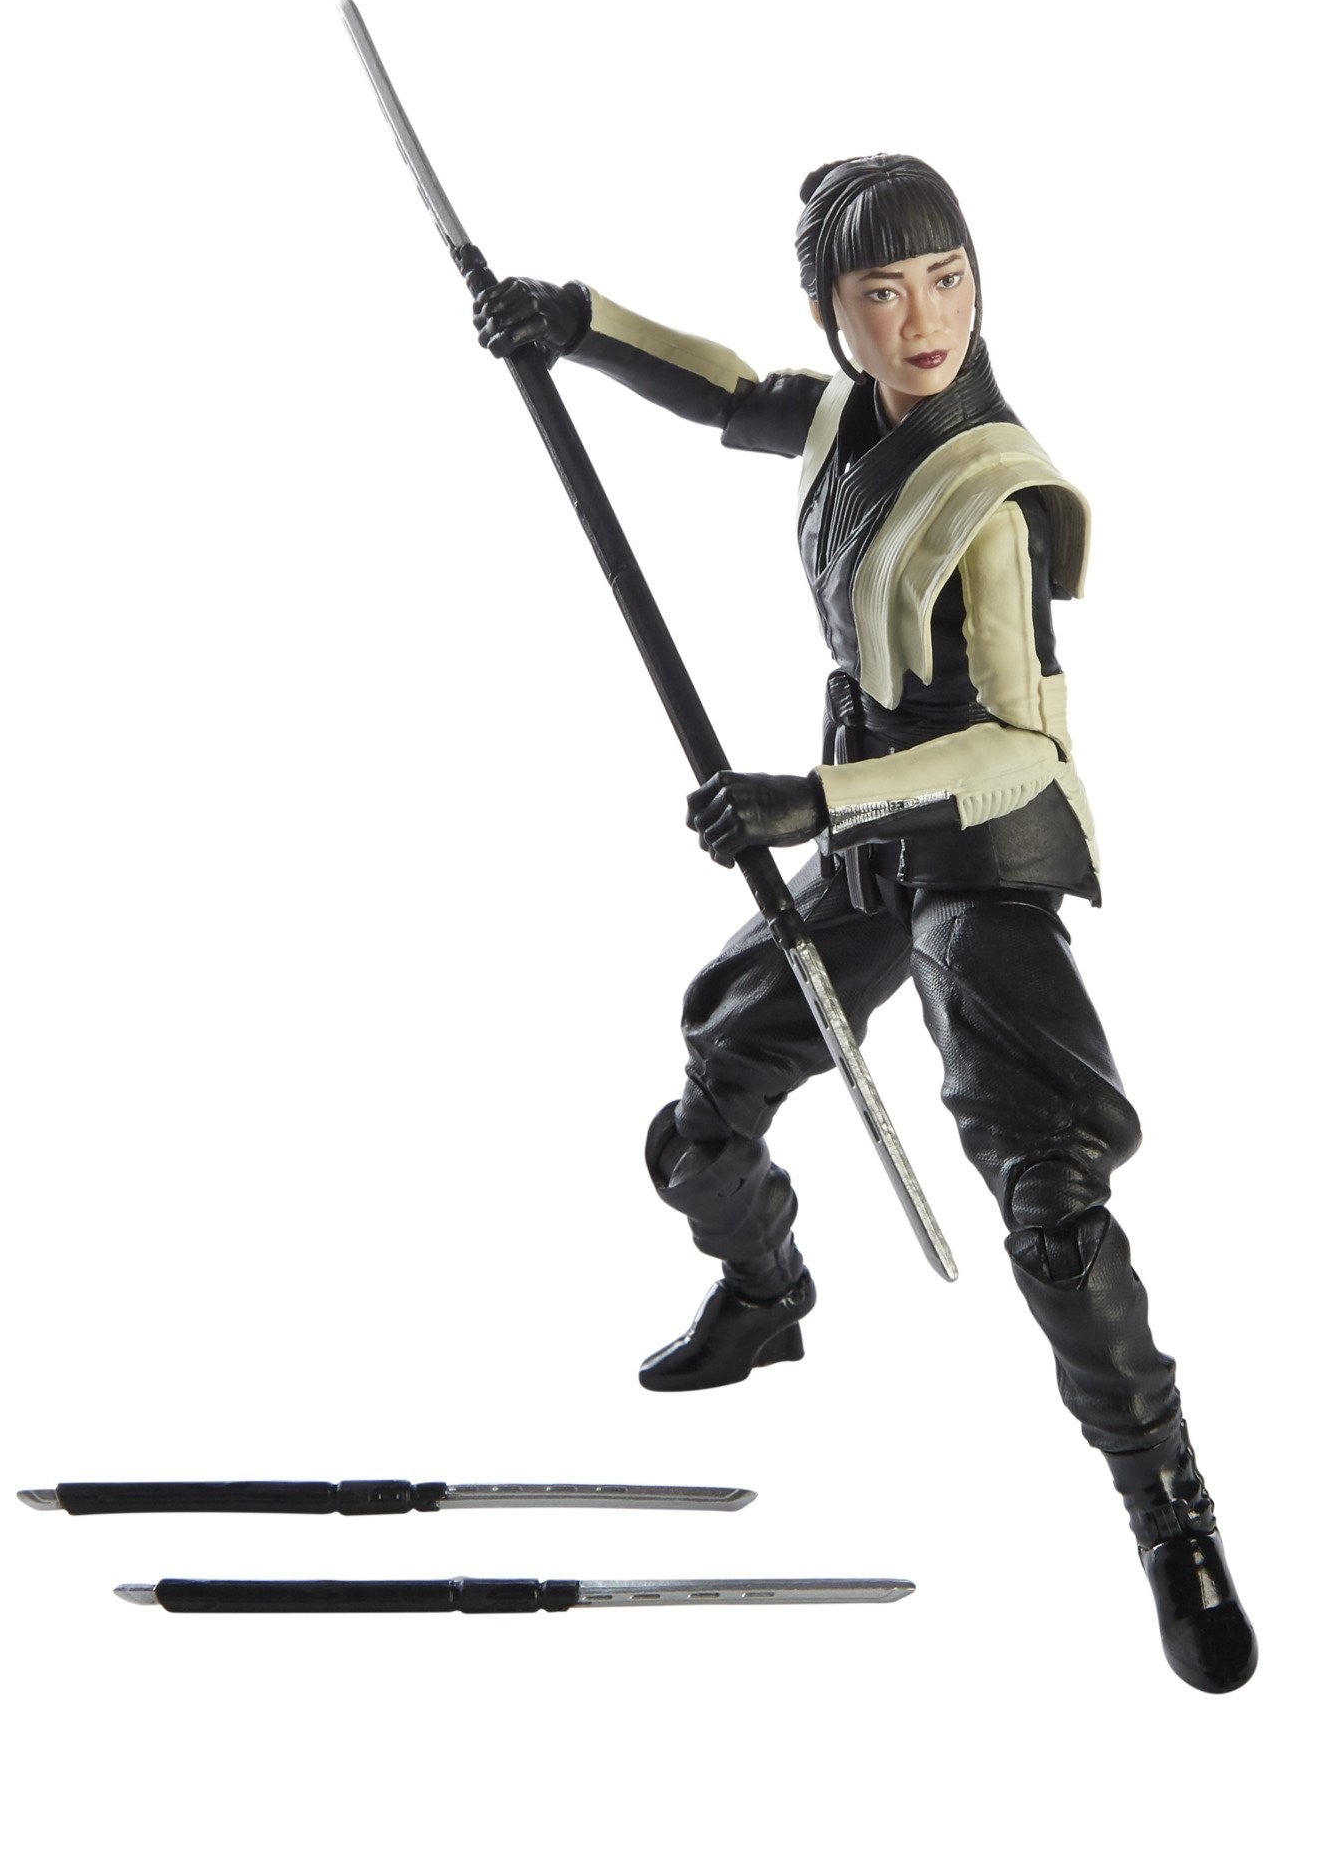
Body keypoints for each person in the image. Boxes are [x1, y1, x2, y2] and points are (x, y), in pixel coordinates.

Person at [473, 155, 1256, 1693]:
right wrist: (573, 323)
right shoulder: (848, 421)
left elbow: (1018, 747)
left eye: (945, 279)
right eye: (880, 293)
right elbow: (722, 392)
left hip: (983, 855)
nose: (920, 320)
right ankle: (766, 1292)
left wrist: (812, 800)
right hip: (869, 840)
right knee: (712, 1088)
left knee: (1050, 1198)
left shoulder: (993, 499)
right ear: (835, 312)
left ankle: (1169, 1505)